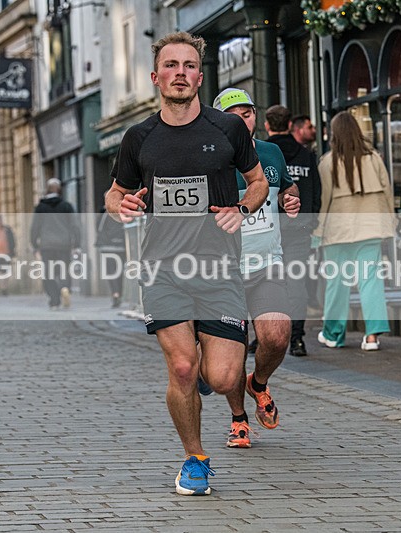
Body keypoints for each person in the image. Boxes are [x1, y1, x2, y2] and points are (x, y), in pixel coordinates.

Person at [105, 32, 268, 496]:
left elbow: (256, 183)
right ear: (157, 77)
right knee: (181, 368)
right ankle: (195, 460)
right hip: (162, 270)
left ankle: (208, 371)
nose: (181, 73)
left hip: (219, 270)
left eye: (189, 65)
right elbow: (114, 193)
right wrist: (121, 205)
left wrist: (242, 208)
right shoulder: (139, 137)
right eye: (171, 65)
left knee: (221, 377)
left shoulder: (228, 130)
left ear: (200, 75)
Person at [211, 88, 299, 449]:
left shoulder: (271, 152)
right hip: (223, 270)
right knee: (229, 354)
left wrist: (289, 200)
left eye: (246, 113)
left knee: (278, 335)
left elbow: (286, 191)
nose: (241, 120)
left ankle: (258, 384)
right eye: (233, 115)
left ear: (255, 117)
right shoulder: (208, 158)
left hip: (267, 264)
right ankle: (238, 419)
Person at [313, 111, 396, 351]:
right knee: (370, 281)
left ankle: (334, 334)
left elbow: (324, 201)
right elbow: (387, 192)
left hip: (337, 231)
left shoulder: (327, 163)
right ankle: (372, 337)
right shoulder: (373, 158)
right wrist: (391, 220)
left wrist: (317, 231)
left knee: (336, 283)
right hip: (371, 228)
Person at [265, 104, 322, 357]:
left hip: (267, 229)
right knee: (297, 283)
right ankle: (296, 337)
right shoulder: (306, 155)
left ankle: (265, 336)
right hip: (299, 228)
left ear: (267, 125)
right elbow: (317, 193)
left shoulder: (261, 154)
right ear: (290, 125)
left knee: (265, 283)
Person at [30, 178, 81, 309]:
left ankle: (54, 299)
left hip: (47, 245)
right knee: (64, 270)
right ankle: (64, 287)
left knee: (49, 273)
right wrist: (76, 244)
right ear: (59, 190)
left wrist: (34, 244)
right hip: (64, 244)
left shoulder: (40, 207)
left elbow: (35, 227)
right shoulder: (66, 206)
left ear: (47, 189)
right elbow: (75, 225)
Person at [95, 208, 126, 308]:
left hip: (107, 247)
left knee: (110, 271)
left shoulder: (105, 214)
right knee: (119, 272)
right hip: (121, 247)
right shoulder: (124, 213)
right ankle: (119, 294)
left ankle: (115, 293)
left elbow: (99, 228)